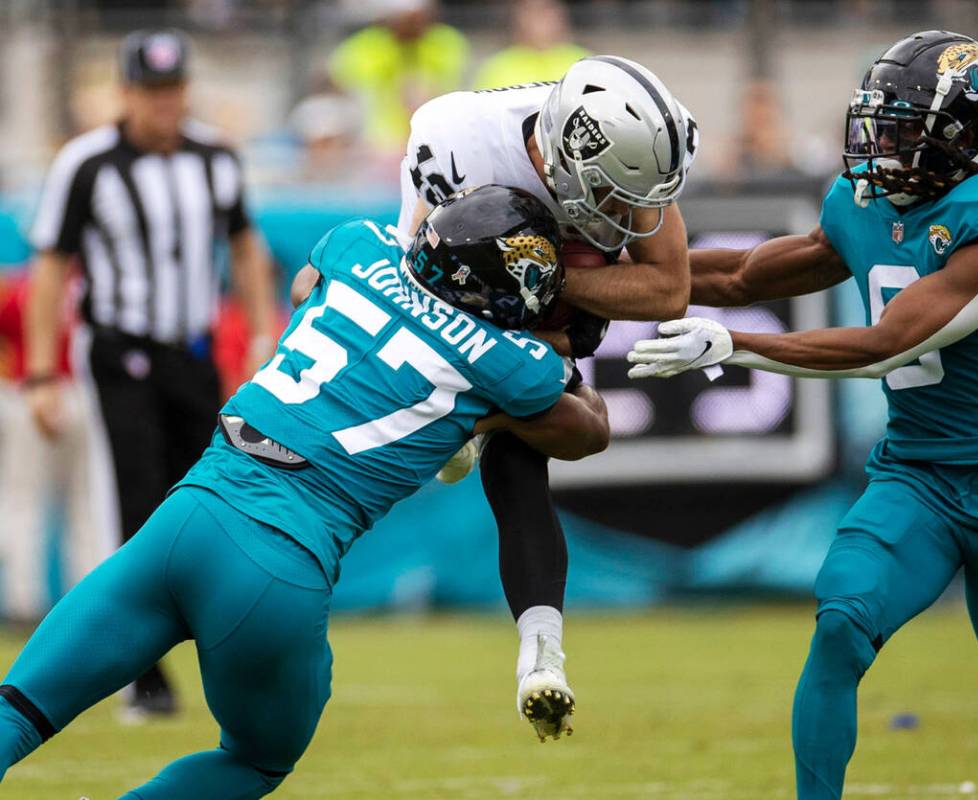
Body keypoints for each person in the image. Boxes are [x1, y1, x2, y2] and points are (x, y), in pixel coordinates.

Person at [0, 184, 610, 797]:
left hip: (187, 516)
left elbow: (303, 289)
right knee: (254, 761)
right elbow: (587, 432)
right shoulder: (510, 362)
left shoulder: (360, 246)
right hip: (278, 566)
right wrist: (499, 405)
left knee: (18, 710)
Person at [625, 31, 978, 800]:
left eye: (905, 130)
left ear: (964, 141)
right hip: (918, 475)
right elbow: (740, 271)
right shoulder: (861, 205)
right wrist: (610, 271)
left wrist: (731, 346)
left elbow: (886, 343)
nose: (880, 146)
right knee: (840, 622)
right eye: (879, 122)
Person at [395, 55, 697, 739]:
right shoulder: (463, 142)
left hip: (540, 275)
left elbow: (666, 289)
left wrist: (548, 293)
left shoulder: (627, 141)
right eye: (618, 195)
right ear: (567, 159)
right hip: (448, 279)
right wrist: (512, 291)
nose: (631, 214)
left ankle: (542, 652)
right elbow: (425, 286)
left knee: (538, 436)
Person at [24, 28, 279, 719]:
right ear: (127, 91)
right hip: (117, 352)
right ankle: (142, 673)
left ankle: (217, 656)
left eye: (172, 90)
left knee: (203, 503)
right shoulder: (88, 163)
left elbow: (246, 245)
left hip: (191, 354)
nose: (163, 104)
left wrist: (260, 333)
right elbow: (50, 269)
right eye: (150, 91)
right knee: (133, 509)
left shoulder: (213, 158)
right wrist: (42, 373)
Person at [0, 272, 118, 624]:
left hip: (33, 392)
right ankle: (85, 603)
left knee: (25, 500)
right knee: (85, 506)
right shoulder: (94, 283)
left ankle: (24, 602)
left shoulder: (22, 288)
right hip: (85, 397)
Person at [328, 0, 469, 153]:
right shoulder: (365, 46)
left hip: (435, 142)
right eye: (406, 18)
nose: (414, 24)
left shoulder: (446, 42)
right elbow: (342, 89)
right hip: (379, 148)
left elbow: (453, 90)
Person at [472, 0, 590, 90]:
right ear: (517, 18)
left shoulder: (584, 62)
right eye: (535, 11)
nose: (544, 19)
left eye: (549, 10)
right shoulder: (497, 67)